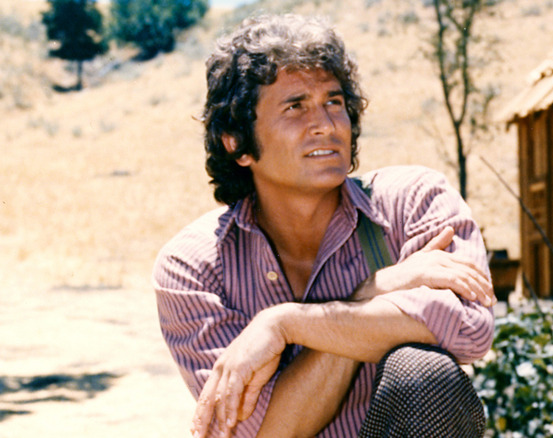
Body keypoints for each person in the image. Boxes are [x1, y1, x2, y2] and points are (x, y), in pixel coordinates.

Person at [153, 13, 495, 438]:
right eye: (295, 107)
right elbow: (268, 433)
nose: (326, 124)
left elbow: (469, 328)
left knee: (422, 373)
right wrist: (371, 292)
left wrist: (285, 323)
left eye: (334, 103)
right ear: (237, 142)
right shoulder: (196, 266)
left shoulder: (412, 201)